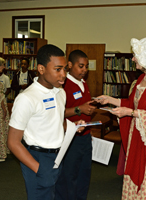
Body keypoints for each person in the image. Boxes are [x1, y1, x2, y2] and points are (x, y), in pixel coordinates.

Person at [95, 37, 146, 199]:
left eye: (135, 56)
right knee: (135, 168)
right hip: (137, 134)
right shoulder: (142, 78)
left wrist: (130, 113)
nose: (132, 59)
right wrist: (109, 99)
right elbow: (130, 103)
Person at [7, 44, 85, 200]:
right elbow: (13, 142)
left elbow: (57, 121)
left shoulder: (60, 92)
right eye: (57, 69)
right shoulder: (26, 98)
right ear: (41, 69)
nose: (63, 75)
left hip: (58, 155)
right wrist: (39, 169)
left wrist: (71, 127)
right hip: (37, 157)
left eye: (64, 69)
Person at [59, 50, 96, 200]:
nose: (84, 70)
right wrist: (80, 109)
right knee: (69, 176)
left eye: (86, 66)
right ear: (69, 65)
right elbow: (58, 113)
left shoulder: (83, 82)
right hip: (70, 137)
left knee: (84, 174)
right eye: (81, 66)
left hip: (85, 136)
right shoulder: (63, 84)